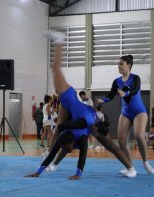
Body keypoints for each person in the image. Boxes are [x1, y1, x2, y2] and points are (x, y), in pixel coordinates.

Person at [25, 31, 135, 179]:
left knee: (55, 68)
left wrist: (75, 173)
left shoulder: (82, 131)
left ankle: (60, 41)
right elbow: (64, 139)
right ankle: (55, 164)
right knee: (65, 133)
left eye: (68, 148)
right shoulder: (75, 136)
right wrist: (38, 171)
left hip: (70, 98)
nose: (70, 151)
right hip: (78, 110)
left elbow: (71, 140)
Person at [97, 55, 154, 175]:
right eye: (118, 64)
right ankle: (130, 167)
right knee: (122, 141)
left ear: (128, 65)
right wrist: (103, 100)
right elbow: (111, 94)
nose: (118, 66)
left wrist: (125, 93)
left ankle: (146, 162)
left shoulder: (135, 78)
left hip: (139, 111)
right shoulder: (116, 81)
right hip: (126, 112)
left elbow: (135, 89)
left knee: (139, 135)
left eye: (121, 64)